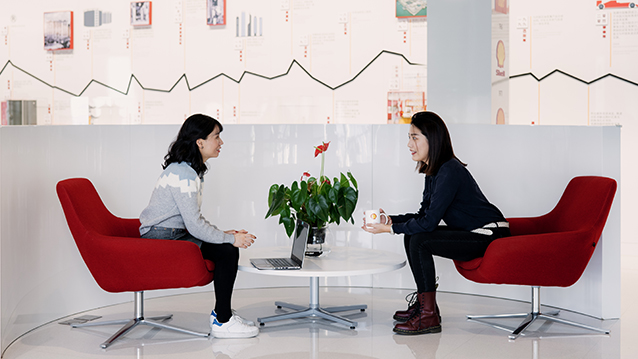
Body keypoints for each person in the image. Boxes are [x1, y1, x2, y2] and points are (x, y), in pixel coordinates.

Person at [362, 111, 510, 335]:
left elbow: (429, 223)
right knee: (412, 235)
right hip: (473, 232)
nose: (409, 144)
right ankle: (426, 308)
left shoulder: (449, 170)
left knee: (420, 239)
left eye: (414, 137)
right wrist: (392, 220)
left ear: (432, 139)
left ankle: (428, 315)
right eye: (409, 137)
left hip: (489, 234)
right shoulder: (435, 171)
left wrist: (390, 229)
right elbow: (425, 215)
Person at [139, 113, 258, 339]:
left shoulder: (187, 169)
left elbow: (192, 220)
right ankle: (223, 321)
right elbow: (194, 225)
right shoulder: (184, 174)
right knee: (227, 250)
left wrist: (222, 234)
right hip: (162, 238)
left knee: (225, 247)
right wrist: (230, 239)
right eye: (216, 137)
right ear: (199, 142)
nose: (221, 142)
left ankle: (222, 315)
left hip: (172, 234)